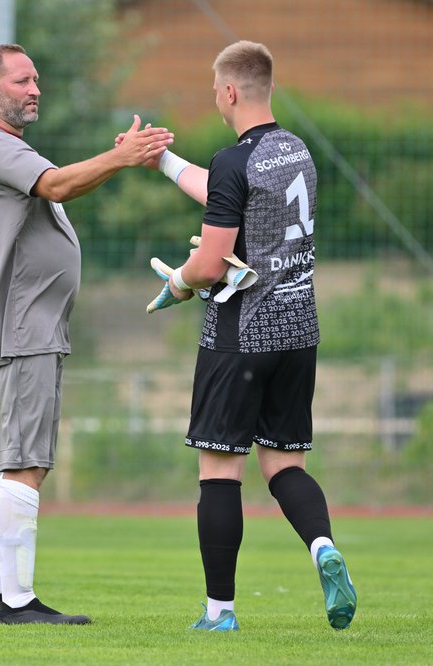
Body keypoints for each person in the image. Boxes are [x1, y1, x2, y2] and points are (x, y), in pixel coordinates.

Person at [0, 43, 174, 625]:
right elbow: (56, 186)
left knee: (19, 460)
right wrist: (120, 157)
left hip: (21, 324)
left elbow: (55, 184)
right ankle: (17, 603)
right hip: (19, 326)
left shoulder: (0, 146)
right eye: (22, 81)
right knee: (25, 462)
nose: (35, 90)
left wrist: (116, 158)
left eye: (36, 80)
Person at [145, 40, 357, 631]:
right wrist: (164, 161)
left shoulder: (234, 161)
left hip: (241, 335)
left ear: (230, 91)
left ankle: (220, 612)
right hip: (298, 330)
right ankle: (323, 548)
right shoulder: (296, 152)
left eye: (216, 90)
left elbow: (212, 264)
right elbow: (227, 189)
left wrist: (178, 283)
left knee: (219, 472)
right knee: (285, 466)